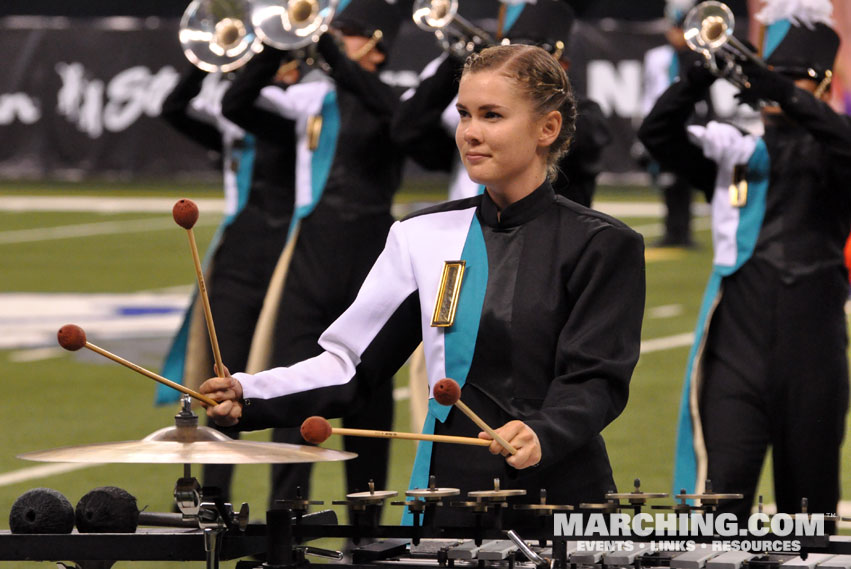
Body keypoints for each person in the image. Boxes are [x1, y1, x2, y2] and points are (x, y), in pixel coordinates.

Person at [201, 44, 645, 526]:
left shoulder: (603, 244)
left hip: (562, 502)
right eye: (464, 115)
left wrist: (544, 431)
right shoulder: (421, 236)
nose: (470, 133)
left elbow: (595, 381)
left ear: (547, 128)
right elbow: (351, 365)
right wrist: (249, 392)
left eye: (492, 115)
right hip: (447, 499)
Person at [639, 0, 850, 522]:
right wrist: (699, 75)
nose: (779, 86)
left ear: (822, 84)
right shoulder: (732, 151)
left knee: (809, 516)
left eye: (795, 79)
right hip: (737, 352)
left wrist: (775, 87)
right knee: (717, 506)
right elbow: (656, 135)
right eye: (772, 76)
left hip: (814, 356)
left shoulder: (836, 152)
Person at [219, 0, 405, 511]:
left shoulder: (389, 98)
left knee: (368, 396)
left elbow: (402, 121)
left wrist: (338, 61)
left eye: (342, 31)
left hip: (371, 262)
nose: (331, 37)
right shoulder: (310, 102)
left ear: (375, 42)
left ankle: (367, 527)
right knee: (291, 386)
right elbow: (236, 103)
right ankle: (287, 518)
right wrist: (278, 45)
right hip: (308, 260)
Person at [159, 61, 298, 503]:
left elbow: (239, 103)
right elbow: (174, 107)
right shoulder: (236, 119)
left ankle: (288, 507)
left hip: (287, 254)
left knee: (288, 381)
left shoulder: (296, 116)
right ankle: (214, 504)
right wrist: (204, 61)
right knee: (221, 384)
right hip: (237, 256)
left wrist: (269, 58)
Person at [392, 0, 611, 207]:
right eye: (511, 53)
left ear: (562, 64)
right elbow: (406, 130)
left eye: (532, 56)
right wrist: (457, 63)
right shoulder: (476, 112)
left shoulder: (587, 116)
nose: (518, 63)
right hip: (473, 231)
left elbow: (577, 139)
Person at [638, 0, 708, 248]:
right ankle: (671, 231)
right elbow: (649, 92)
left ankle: (684, 232)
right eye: (675, 28)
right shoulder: (656, 57)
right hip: (663, 121)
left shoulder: (696, 58)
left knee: (685, 178)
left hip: (689, 121)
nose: (676, 34)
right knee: (667, 180)